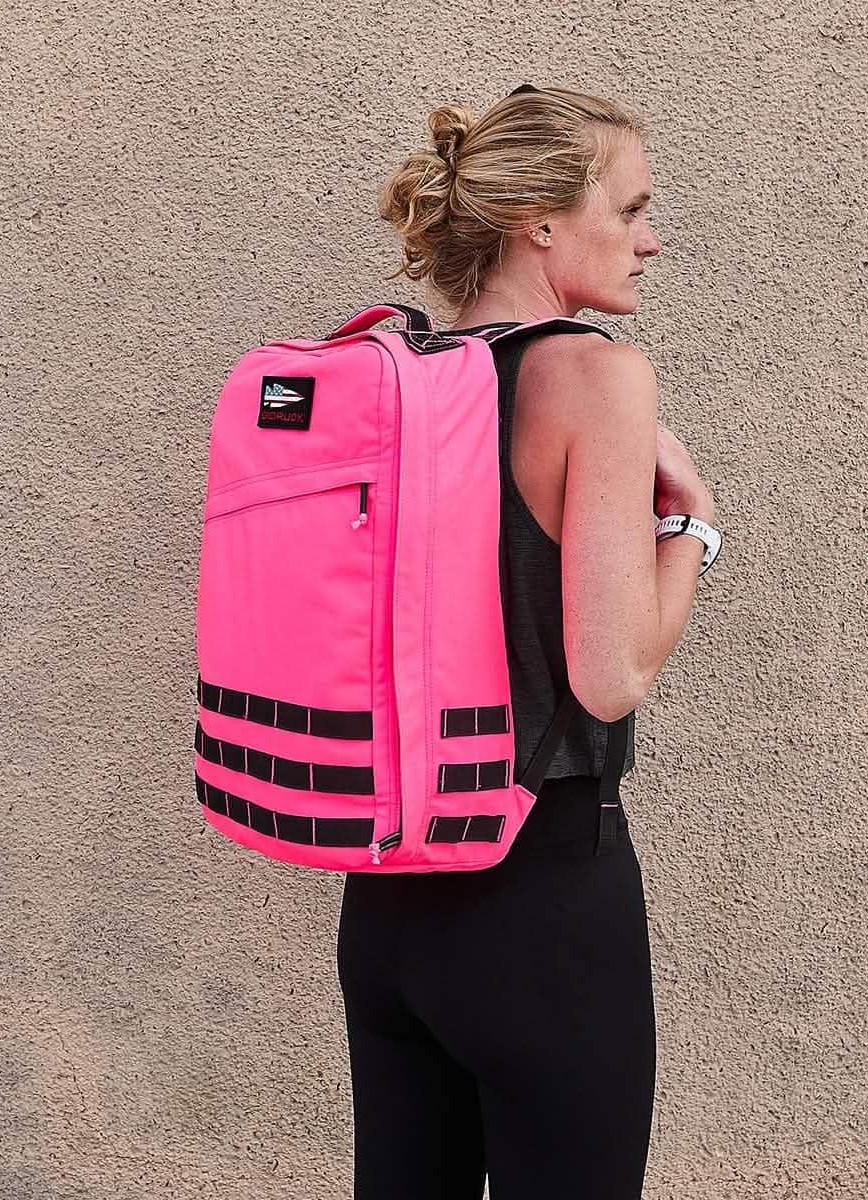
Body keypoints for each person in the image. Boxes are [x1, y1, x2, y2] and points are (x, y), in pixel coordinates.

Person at [335, 83, 717, 1200]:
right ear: (540, 221)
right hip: (540, 898)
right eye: (633, 207)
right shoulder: (590, 375)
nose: (653, 238)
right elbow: (606, 677)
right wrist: (692, 528)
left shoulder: (403, 377)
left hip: (387, 902)